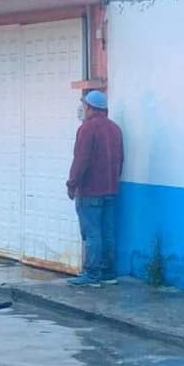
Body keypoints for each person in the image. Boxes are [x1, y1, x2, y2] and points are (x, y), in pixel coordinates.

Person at [66, 90, 124, 287]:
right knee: (107, 231)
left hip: (90, 190)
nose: (83, 109)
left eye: (85, 106)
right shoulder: (115, 129)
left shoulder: (87, 129)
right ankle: (108, 273)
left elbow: (81, 160)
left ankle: (92, 275)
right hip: (111, 189)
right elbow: (120, 160)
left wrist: (72, 184)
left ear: (91, 108)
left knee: (91, 233)